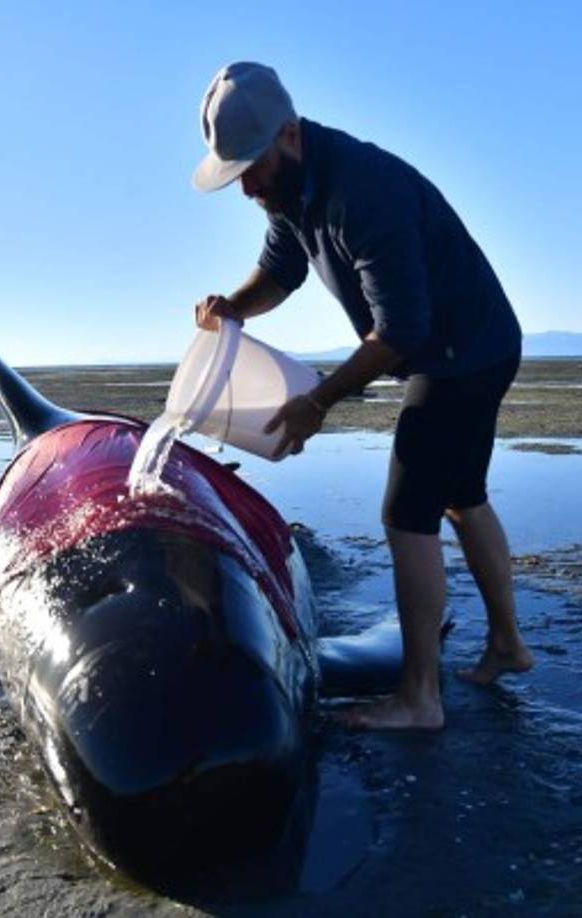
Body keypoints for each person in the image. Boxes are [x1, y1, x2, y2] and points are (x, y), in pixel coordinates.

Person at [191, 61, 534, 731]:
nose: (246, 188)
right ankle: (509, 645)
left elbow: (402, 331)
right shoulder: (290, 192)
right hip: (472, 344)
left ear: (288, 133)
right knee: (462, 496)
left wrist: (318, 401)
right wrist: (233, 307)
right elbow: (279, 273)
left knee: (408, 513)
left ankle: (419, 699)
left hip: (460, 353)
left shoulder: (361, 191)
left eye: (250, 168)